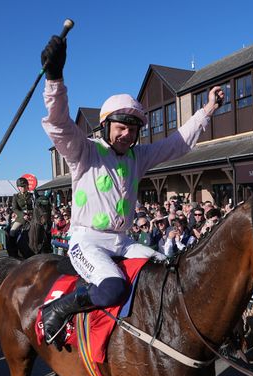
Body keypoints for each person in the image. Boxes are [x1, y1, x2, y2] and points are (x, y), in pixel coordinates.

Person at [38, 34, 224, 345]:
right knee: (112, 288)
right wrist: (54, 78)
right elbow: (59, 124)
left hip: (123, 242)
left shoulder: (139, 157)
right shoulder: (85, 150)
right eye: (121, 127)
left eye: (132, 130)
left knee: (169, 271)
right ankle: (59, 309)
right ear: (106, 126)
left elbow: (177, 143)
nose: (126, 135)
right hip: (87, 241)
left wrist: (206, 110)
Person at [6, 177, 35, 257]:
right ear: (18, 187)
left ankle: (47, 247)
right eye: (21, 186)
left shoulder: (32, 196)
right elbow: (15, 208)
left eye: (24, 186)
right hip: (21, 218)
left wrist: (30, 213)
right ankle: (13, 251)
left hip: (32, 217)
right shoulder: (16, 196)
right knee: (12, 231)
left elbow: (35, 207)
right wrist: (23, 215)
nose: (23, 188)